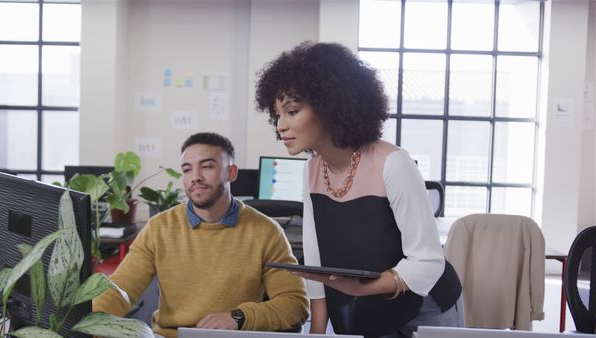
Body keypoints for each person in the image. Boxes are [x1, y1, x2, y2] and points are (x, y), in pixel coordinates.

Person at [255, 41, 463, 338]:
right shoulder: (312, 169)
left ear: (330, 106)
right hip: (365, 303)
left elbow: (428, 261)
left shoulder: (393, 163)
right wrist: (317, 326)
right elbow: (315, 260)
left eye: (292, 111)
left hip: (426, 304)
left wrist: (364, 288)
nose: (281, 126)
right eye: (277, 115)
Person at [93, 132, 309, 338]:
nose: (195, 177)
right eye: (187, 169)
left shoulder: (266, 232)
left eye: (207, 166)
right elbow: (119, 291)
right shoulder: (160, 228)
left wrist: (239, 317)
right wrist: (83, 326)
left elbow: (295, 303)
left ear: (231, 172)